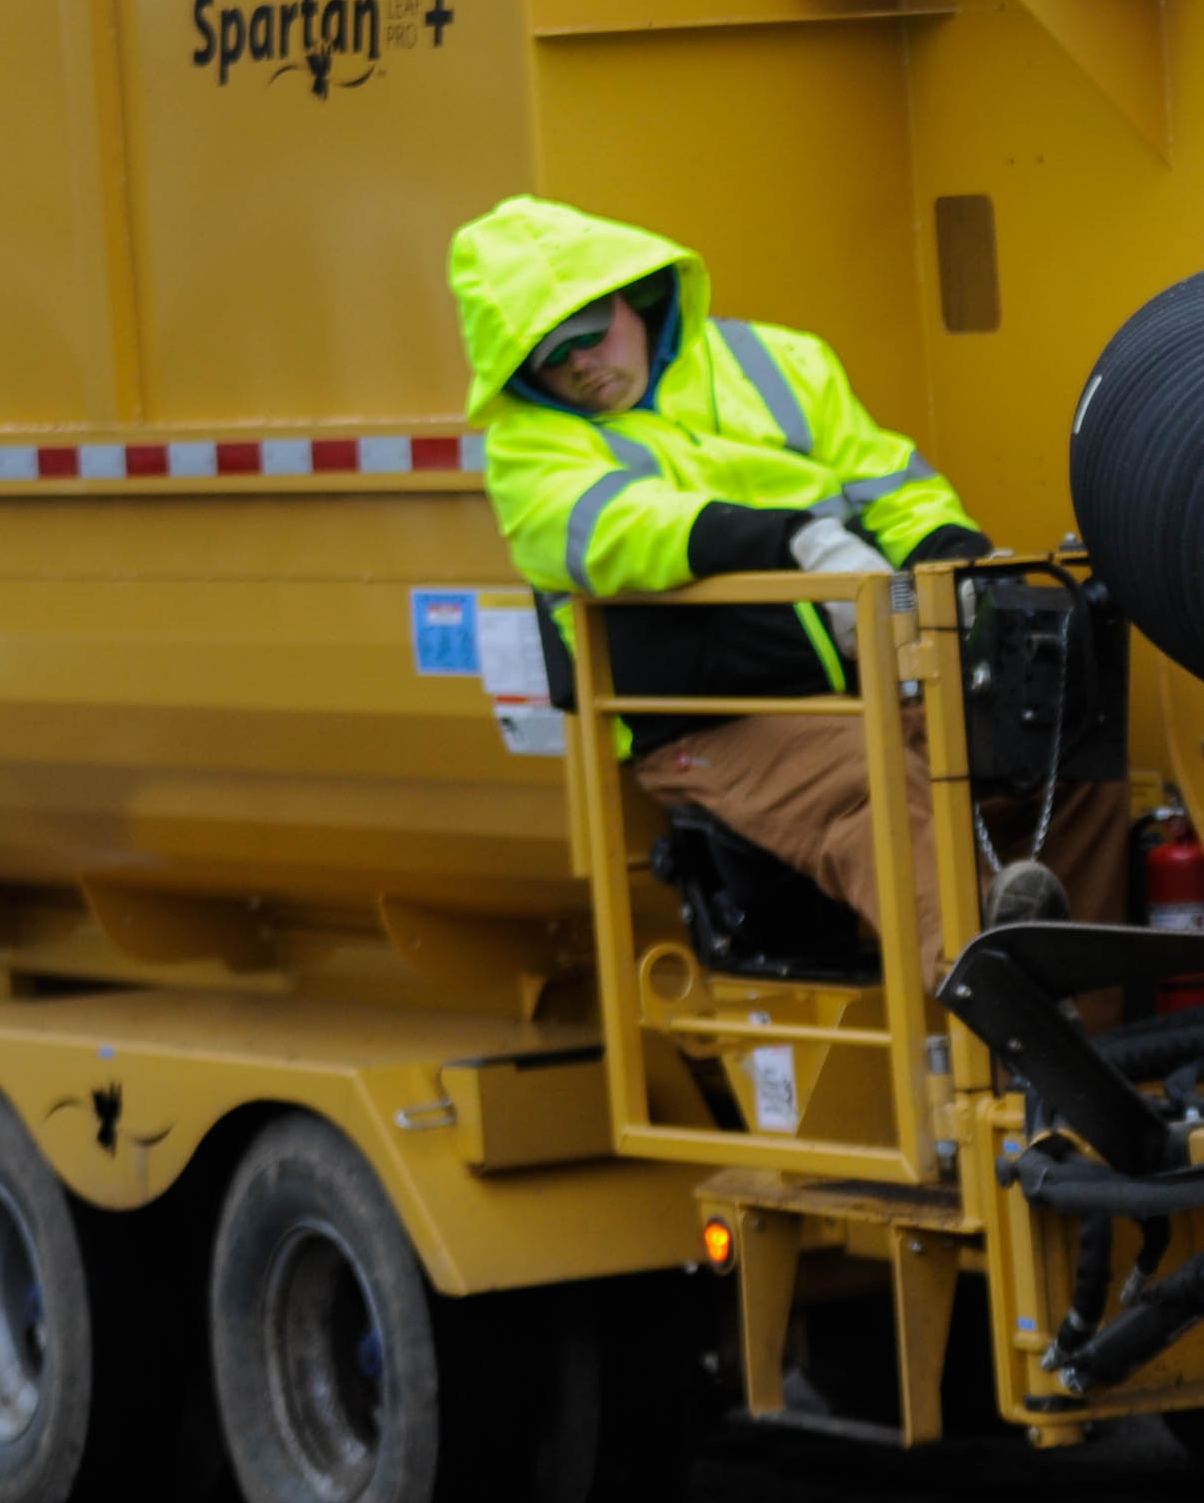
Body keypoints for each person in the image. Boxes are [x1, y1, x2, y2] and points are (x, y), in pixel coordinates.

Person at [446, 196, 1123, 979]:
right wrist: (794, 542)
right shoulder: (526, 450)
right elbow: (624, 527)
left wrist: (953, 560)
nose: (578, 367)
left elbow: (891, 484)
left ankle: (1093, 1034)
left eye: (585, 337)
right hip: (714, 726)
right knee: (875, 783)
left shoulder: (777, 360)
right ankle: (995, 1002)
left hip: (875, 685)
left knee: (1066, 757)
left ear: (632, 298)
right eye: (547, 359)